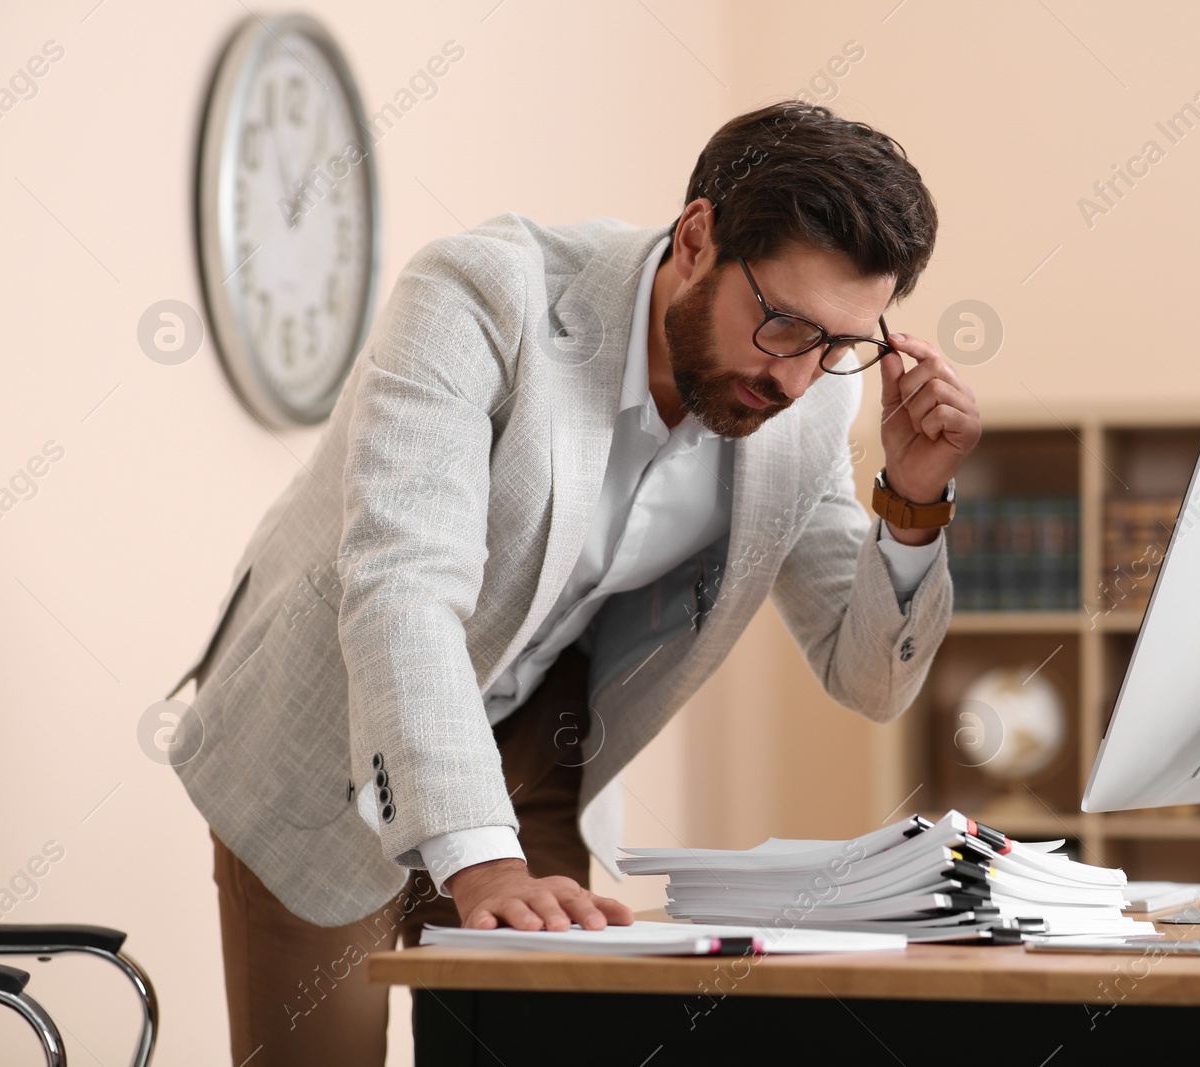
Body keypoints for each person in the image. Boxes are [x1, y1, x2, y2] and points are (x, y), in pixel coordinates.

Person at [162, 99, 980, 1066]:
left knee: (546, 1040)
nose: (801, 380)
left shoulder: (810, 395)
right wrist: (481, 860)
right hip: (327, 739)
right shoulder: (479, 294)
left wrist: (915, 497)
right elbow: (402, 587)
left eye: (841, 343)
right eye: (785, 325)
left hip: (538, 749)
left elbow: (871, 680)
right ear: (695, 235)